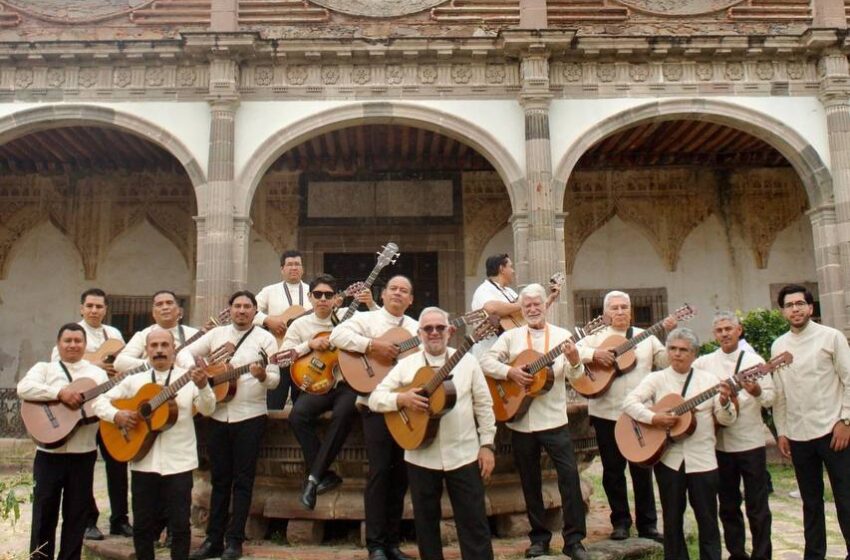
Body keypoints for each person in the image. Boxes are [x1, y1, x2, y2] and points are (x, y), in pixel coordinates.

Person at [369, 307, 497, 560]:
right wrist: (402, 399)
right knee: (426, 524)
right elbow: (375, 398)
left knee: (474, 522)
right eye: (428, 328)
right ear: (420, 334)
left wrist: (487, 445)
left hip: (464, 454)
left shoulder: (468, 362)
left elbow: (484, 405)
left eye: (440, 327)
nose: (434, 332)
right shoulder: (406, 365)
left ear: (450, 331)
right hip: (420, 456)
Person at [479, 283, 589, 560]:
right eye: (526, 305)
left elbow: (576, 378)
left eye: (536, 304)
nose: (531, 309)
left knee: (570, 478)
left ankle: (574, 541)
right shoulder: (511, 337)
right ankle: (539, 539)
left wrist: (575, 360)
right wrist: (509, 372)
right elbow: (485, 361)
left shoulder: (562, 336)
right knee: (530, 481)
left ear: (545, 306)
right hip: (521, 421)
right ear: (521, 308)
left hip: (554, 420)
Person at [94, 329, 216, 560]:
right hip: (143, 460)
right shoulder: (135, 380)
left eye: (164, 345)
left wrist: (203, 386)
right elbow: (99, 402)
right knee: (142, 524)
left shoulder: (188, 378)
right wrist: (117, 415)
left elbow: (208, 409)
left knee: (180, 524)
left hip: (179, 461)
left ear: (173, 349)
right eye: (154, 346)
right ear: (147, 350)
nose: (159, 350)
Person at [180, 291, 281, 560]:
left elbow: (274, 380)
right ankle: (213, 539)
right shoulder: (216, 335)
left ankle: (235, 540)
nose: (242, 311)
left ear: (255, 311)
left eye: (247, 307)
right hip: (217, 416)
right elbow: (185, 353)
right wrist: (200, 370)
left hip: (250, 417)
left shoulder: (266, 339)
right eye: (237, 306)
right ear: (230, 309)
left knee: (243, 481)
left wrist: (262, 375)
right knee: (220, 480)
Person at [623, 327, 736, 560]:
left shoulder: (709, 381)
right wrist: (654, 418)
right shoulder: (656, 378)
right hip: (669, 459)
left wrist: (725, 402)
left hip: (703, 460)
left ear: (694, 353)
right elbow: (629, 403)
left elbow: (726, 419)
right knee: (672, 520)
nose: (677, 354)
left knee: (707, 519)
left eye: (683, 350)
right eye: (672, 348)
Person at [329, 275, 418, 560]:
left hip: (404, 407)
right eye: (393, 289)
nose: (398, 293)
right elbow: (336, 336)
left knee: (400, 475)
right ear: (383, 295)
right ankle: (375, 544)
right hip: (374, 405)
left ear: (411, 300)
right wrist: (371, 346)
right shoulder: (367, 320)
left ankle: (392, 542)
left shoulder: (416, 327)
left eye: (404, 291)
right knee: (379, 473)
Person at [576, 290, 667, 542]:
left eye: (624, 307)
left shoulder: (646, 337)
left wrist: (673, 340)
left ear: (631, 311)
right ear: (605, 313)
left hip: (639, 414)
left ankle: (648, 524)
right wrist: (595, 355)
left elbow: (665, 361)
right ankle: (620, 522)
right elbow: (573, 351)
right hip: (606, 413)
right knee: (613, 471)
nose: (619, 312)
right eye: (614, 308)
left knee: (642, 470)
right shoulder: (595, 337)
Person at [771, 284, 850, 560]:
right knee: (811, 502)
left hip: (834, 431)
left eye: (800, 304)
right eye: (789, 305)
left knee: (846, 498)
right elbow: (780, 393)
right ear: (783, 312)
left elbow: (849, 379)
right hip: (798, 434)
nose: (795, 309)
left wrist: (846, 420)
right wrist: (782, 431)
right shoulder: (778, 345)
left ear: (810, 307)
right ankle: (814, 555)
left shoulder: (831, 337)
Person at [19, 323, 109, 560]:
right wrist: (59, 393)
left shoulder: (97, 374)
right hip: (48, 455)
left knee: (77, 513)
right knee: (44, 512)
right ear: (58, 344)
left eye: (78, 341)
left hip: (83, 453)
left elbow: (105, 403)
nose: (73, 345)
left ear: (85, 345)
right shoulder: (44, 369)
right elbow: (24, 388)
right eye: (67, 340)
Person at [51, 288, 130, 541]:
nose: (94, 310)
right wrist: (96, 365)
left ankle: (120, 519)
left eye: (99, 306)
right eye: (90, 306)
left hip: (109, 406)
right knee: (84, 466)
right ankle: (89, 521)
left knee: (117, 462)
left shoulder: (113, 334)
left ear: (106, 309)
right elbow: (59, 365)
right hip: (81, 411)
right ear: (81, 308)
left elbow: (125, 361)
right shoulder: (71, 335)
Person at [694, 311, 773, 560]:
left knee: (757, 505)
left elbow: (770, 398)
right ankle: (736, 554)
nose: (724, 334)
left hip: (750, 442)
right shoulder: (705, 362)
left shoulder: (754, 361)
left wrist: (757, 390)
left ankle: (762, 555)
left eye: (729, 329)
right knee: (728, 505)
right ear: (714, 334)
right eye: (719, 330)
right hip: (719, 444)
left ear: (739, 330)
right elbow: (689, 387)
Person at [284, 274, 362, 509]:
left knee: (343, 414)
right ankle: (323, 474)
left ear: (336, 298)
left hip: (347, 384)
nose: (323, 299)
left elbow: (377, 328)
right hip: (319, 384)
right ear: (310, 297)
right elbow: (282, 357)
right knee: (297, 416)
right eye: (318, 294)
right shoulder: (300, 325)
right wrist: (309, 344)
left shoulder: (349, 317)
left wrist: (372, 304)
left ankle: (313, 478)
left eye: (328, 295)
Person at [470, 254, 558, 361]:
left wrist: (550, 298)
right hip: (489, 355)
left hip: (511, 356)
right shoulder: (484, 289)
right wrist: (521, 304)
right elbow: (491, 308)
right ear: (501, 269)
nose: (513, 271)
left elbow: (529, 313)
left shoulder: (509, 291)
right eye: (510, 267)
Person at [254, 250, 312, 408]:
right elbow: (250, 310)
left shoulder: (313, 292)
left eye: (297, 264)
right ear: (282, 269)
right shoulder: (269, 291)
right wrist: (267, 320)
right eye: (290, 264)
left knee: (303, 405)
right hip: (278, 352)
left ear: (302, 269)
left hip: (305, 356)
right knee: (274, 403)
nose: (294, 268)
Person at [114, 290, 200, 371]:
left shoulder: (194, 334)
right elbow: (119, 363)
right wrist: (153, 364)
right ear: (153, 313)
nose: (165, 307)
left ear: (179, 310)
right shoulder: (143, 335)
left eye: (169, 303)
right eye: (159, 304)